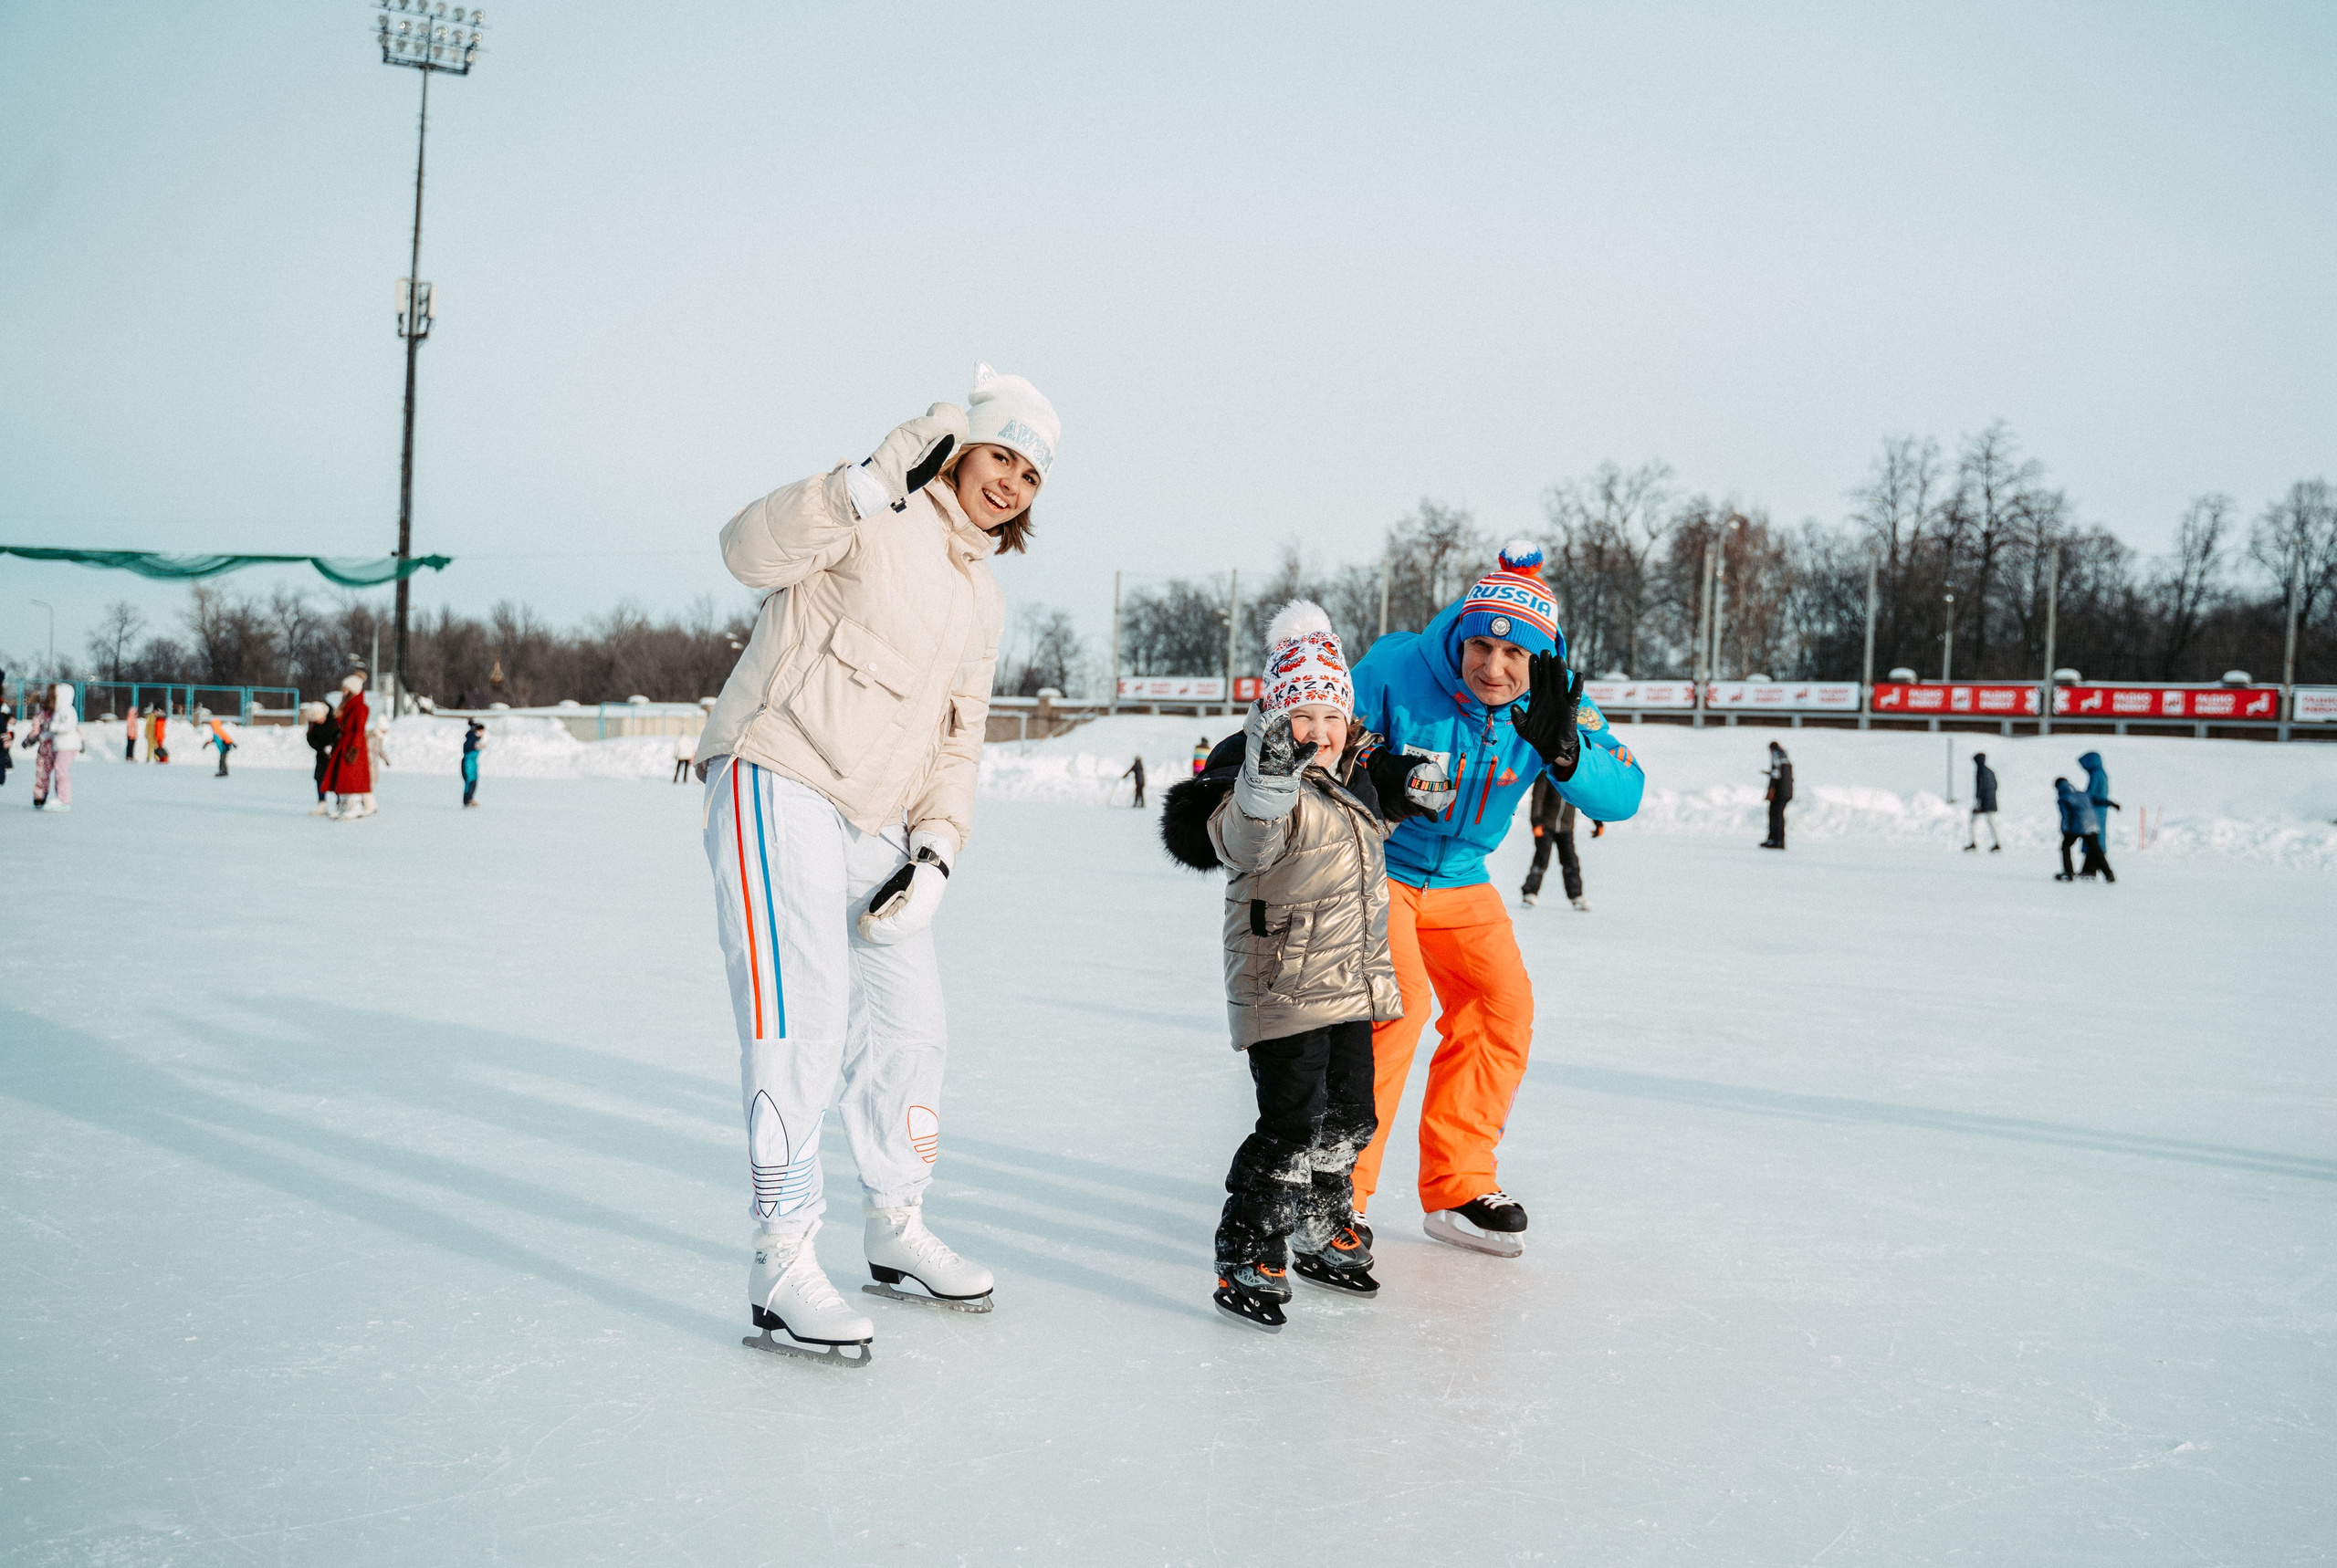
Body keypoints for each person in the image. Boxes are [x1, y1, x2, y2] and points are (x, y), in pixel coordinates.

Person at [696, 363, 1057, 1367]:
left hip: (879, 822)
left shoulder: (982, 600)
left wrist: (938, 847)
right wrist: (857, 482)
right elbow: (744, 550)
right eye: (1001, 456)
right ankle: (781, 1255)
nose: (1012, 483)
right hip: (776, 769)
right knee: (798, 1015)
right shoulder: (874, 507)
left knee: (913, 1025)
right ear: (960, 448)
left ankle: (895, 1219)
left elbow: (959, 740)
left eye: (1031, 474)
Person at [1347, 543, 1645, 1258]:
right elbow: (1322, 738)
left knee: (1499, 1006)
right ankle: (1337, 1190)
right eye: (1480, 645)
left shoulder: (1556, 697)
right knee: (1397, 1008)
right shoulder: (1396, 666)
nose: (1493, 667)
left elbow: (1625, 792)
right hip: (1377, 865)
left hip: (1460, 880)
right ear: (1461, 635)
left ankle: (1457, 1187)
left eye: (1513, 656)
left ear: (1540, 658)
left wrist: (1568, 750)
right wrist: (1372, 765)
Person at [1159, 601, 1400, 1333]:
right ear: (1274, 721)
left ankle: (1321, 1222)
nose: (1319, 734)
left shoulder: (1353, 786)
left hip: (1348, 986)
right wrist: (1262, 794)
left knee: (1353, 1114)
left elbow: (1381, 820)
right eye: (1303, 718)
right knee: (1290, 1124)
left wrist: (1412, 780)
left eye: (1333, 718)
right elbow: (1243, 845)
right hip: (1284, 988)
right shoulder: (1265, 790)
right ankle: (1248, 1243)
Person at [1519, 776, 1590, 910]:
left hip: (1566, 827)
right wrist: (1535, 821)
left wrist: (1597, 821)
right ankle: (1530, 892)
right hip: (1545, 825)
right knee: (1541, 860)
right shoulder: (1547, 773)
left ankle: (1576, 895)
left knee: (1571, 861)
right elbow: (1538, 796)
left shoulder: (1574, 775)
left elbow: (1585, 799)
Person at [322, 672, 376, 819]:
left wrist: (354, 748)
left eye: (345, 688)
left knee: (352, 777)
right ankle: (344, 805)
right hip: (344, 744)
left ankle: (355, 805)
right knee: (343, 776)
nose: (342, 691)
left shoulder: (361, 707)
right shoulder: (346, 706)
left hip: (353, 746)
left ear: (352, 690)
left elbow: (359, 730)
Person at [28, 684, 83, 811]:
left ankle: (64, 800)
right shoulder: (59, 711)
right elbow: (54, 731)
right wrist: (42, 736)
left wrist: (51, 727)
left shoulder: (67, 711)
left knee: (62, 772)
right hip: (61, 745)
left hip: (68, 745)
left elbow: (69, 726)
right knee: (60, 771)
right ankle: (61, 798)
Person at [2052, 778, 2113, 882]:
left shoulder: (2063, 798)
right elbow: (2097, 800)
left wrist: (2064, 829)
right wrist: (2111, 803)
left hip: (2077, 826)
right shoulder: (2082, 794)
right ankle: (2109, 874)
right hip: (2093, 824)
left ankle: (2068, 872)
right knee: (2096, 850)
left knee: (2066, 846)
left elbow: (2066, 816)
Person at [302, 701, 338, 814]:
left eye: (320, 718)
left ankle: (340, 803)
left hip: (335, 755)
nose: (318, 721)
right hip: (322, 756)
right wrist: (321, 748)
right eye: (316, 720)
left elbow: (339, 735)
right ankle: (322, 803)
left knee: (336, 778)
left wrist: (333, 746)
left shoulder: (333, 721)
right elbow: (310, 739)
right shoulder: (313, 725)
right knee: (319, 778)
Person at [2079, 751, 2119, 840]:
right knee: (2100, 830)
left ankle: (2094, 851)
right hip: (2101, 807)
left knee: (2092, 831)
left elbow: (2091, 792)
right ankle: (2100, 849)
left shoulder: (2095, 774)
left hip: (2095, 807)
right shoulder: (2102, 773)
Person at [1965, 751, 2001, 852]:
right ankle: (1996, 842)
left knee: (1973, 821)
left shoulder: (1980, 770)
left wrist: (1979, 800)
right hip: (1991, 801)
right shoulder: (1990, 771)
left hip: (1983, 801)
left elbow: (1980, 786)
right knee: (1991, 821)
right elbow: (1995, 786)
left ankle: (1974, 842)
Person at [1760, 741, 1793, 849]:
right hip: (1787, 792)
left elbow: (1775, 775)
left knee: (1774, 815)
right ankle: (1780, 840)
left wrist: (1771, 790)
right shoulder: (1785, 758)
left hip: (1779, 792)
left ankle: (1773, 839)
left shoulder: (1776, 756)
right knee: (1779, 816)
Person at [200, 709, 238, 778]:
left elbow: (227, 738)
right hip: (224, 748)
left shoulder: (219, 731)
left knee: (222, 760)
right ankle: (224, 771)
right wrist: (206, 743)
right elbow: (214, 739)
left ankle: (223, 771)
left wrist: (232, 743)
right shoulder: (216, 732)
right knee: (222, 759)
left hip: (225, 747)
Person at [462, 719, 487, 807]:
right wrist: (476, 746)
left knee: (474, 781)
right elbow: (468, 748)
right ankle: (467, 799)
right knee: (470, 780)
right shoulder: (471, 738)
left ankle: (470, 798)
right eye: (481, 731)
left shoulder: (475, 739)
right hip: (468, 763)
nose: (482, 733)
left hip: (473, 763)